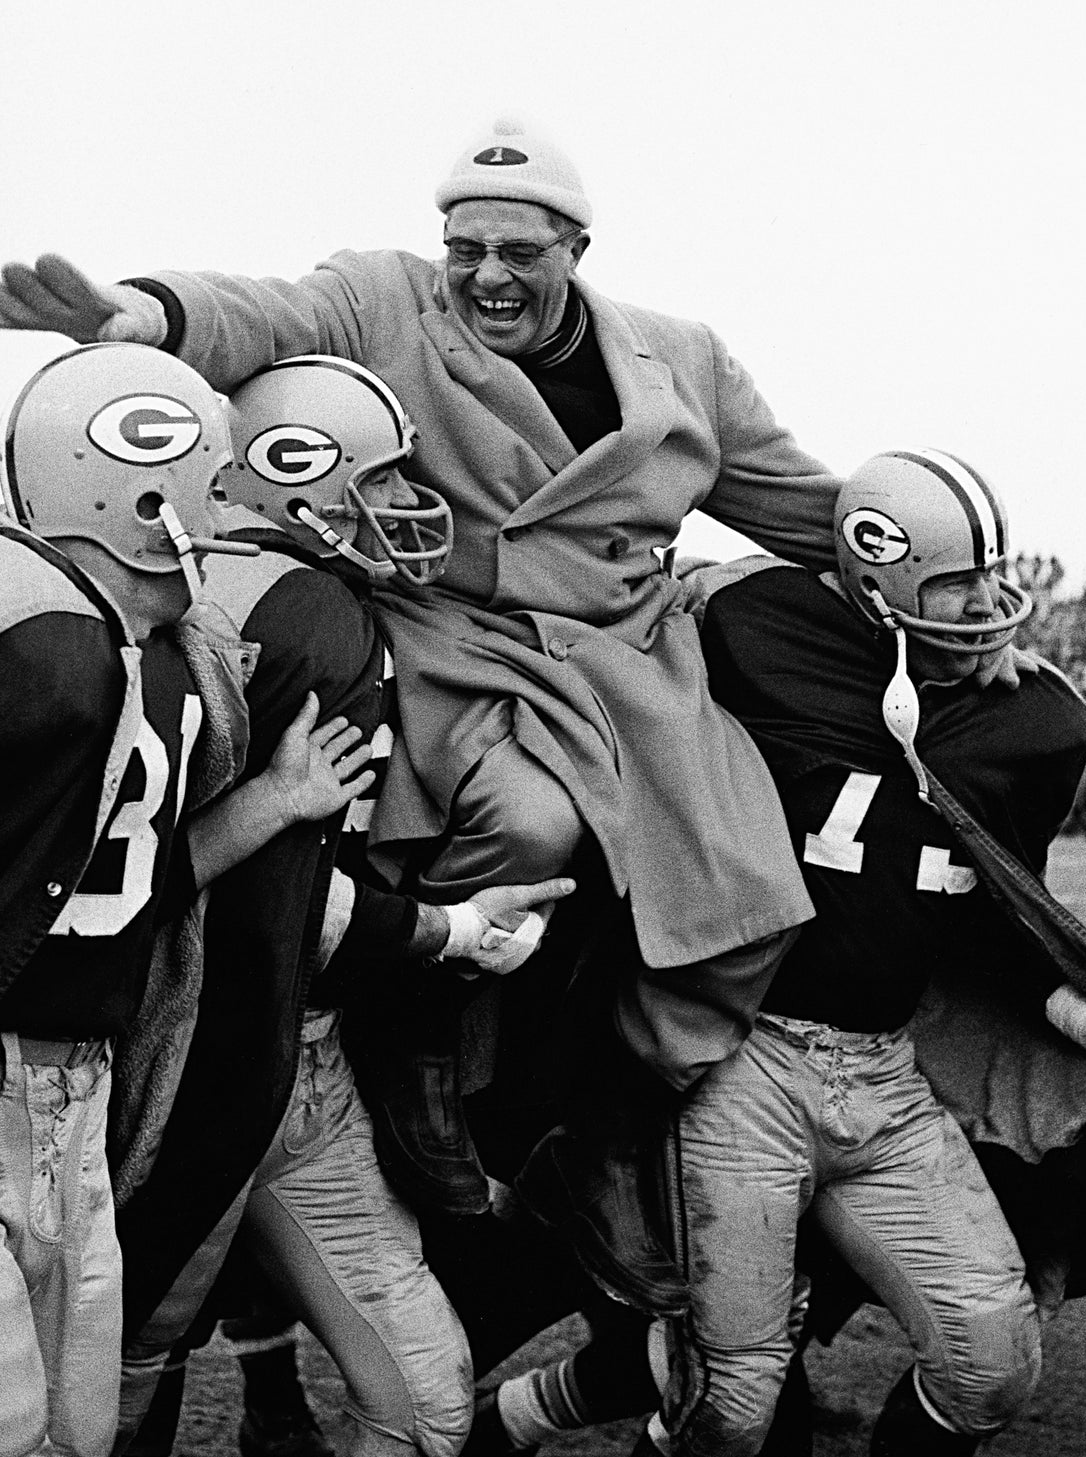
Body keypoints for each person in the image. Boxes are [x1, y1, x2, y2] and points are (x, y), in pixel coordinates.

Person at [0, 119, 1032, 1314]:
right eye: (465, 246)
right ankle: (422, 1044)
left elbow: (805, 506)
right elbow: (265, 313)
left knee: (751, 894)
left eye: (518, 251)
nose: (486, 273)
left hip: (630, 657)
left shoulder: (684, 361)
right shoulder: (386, 298)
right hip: (461, 641)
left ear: (577, 248)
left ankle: (601, 1137)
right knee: (532, 823)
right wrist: (151, 314)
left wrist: (956, 595)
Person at [646, 447, 1086, 1457]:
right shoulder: (750, 621)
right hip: (742, 1057)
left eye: (992, 576)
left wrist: (1075, 1011)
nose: (984, 608)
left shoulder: (1039, 720)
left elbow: (991, 908)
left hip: (886, 1070)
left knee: (992, 1357)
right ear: (867, 582)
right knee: (738, 1397)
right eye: (953, 585)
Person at [112, 354, 577, 1457]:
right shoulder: (312, 609)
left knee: (135, 1379)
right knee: (125, 1384)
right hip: (205, 1058)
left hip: (190, 1045)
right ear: (288, 471)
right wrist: (453, 929)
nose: (409, 508)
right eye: (380, 479)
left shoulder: (194, 590)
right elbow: (273, 907)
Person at [0, 342, 375, 1457]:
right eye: (209, 488)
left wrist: (274, 800)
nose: (224, 519)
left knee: (72, 1427)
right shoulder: (39, 639)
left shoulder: (159, 659)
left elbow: (130, 883)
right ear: (133, 486)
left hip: (79, 1085)